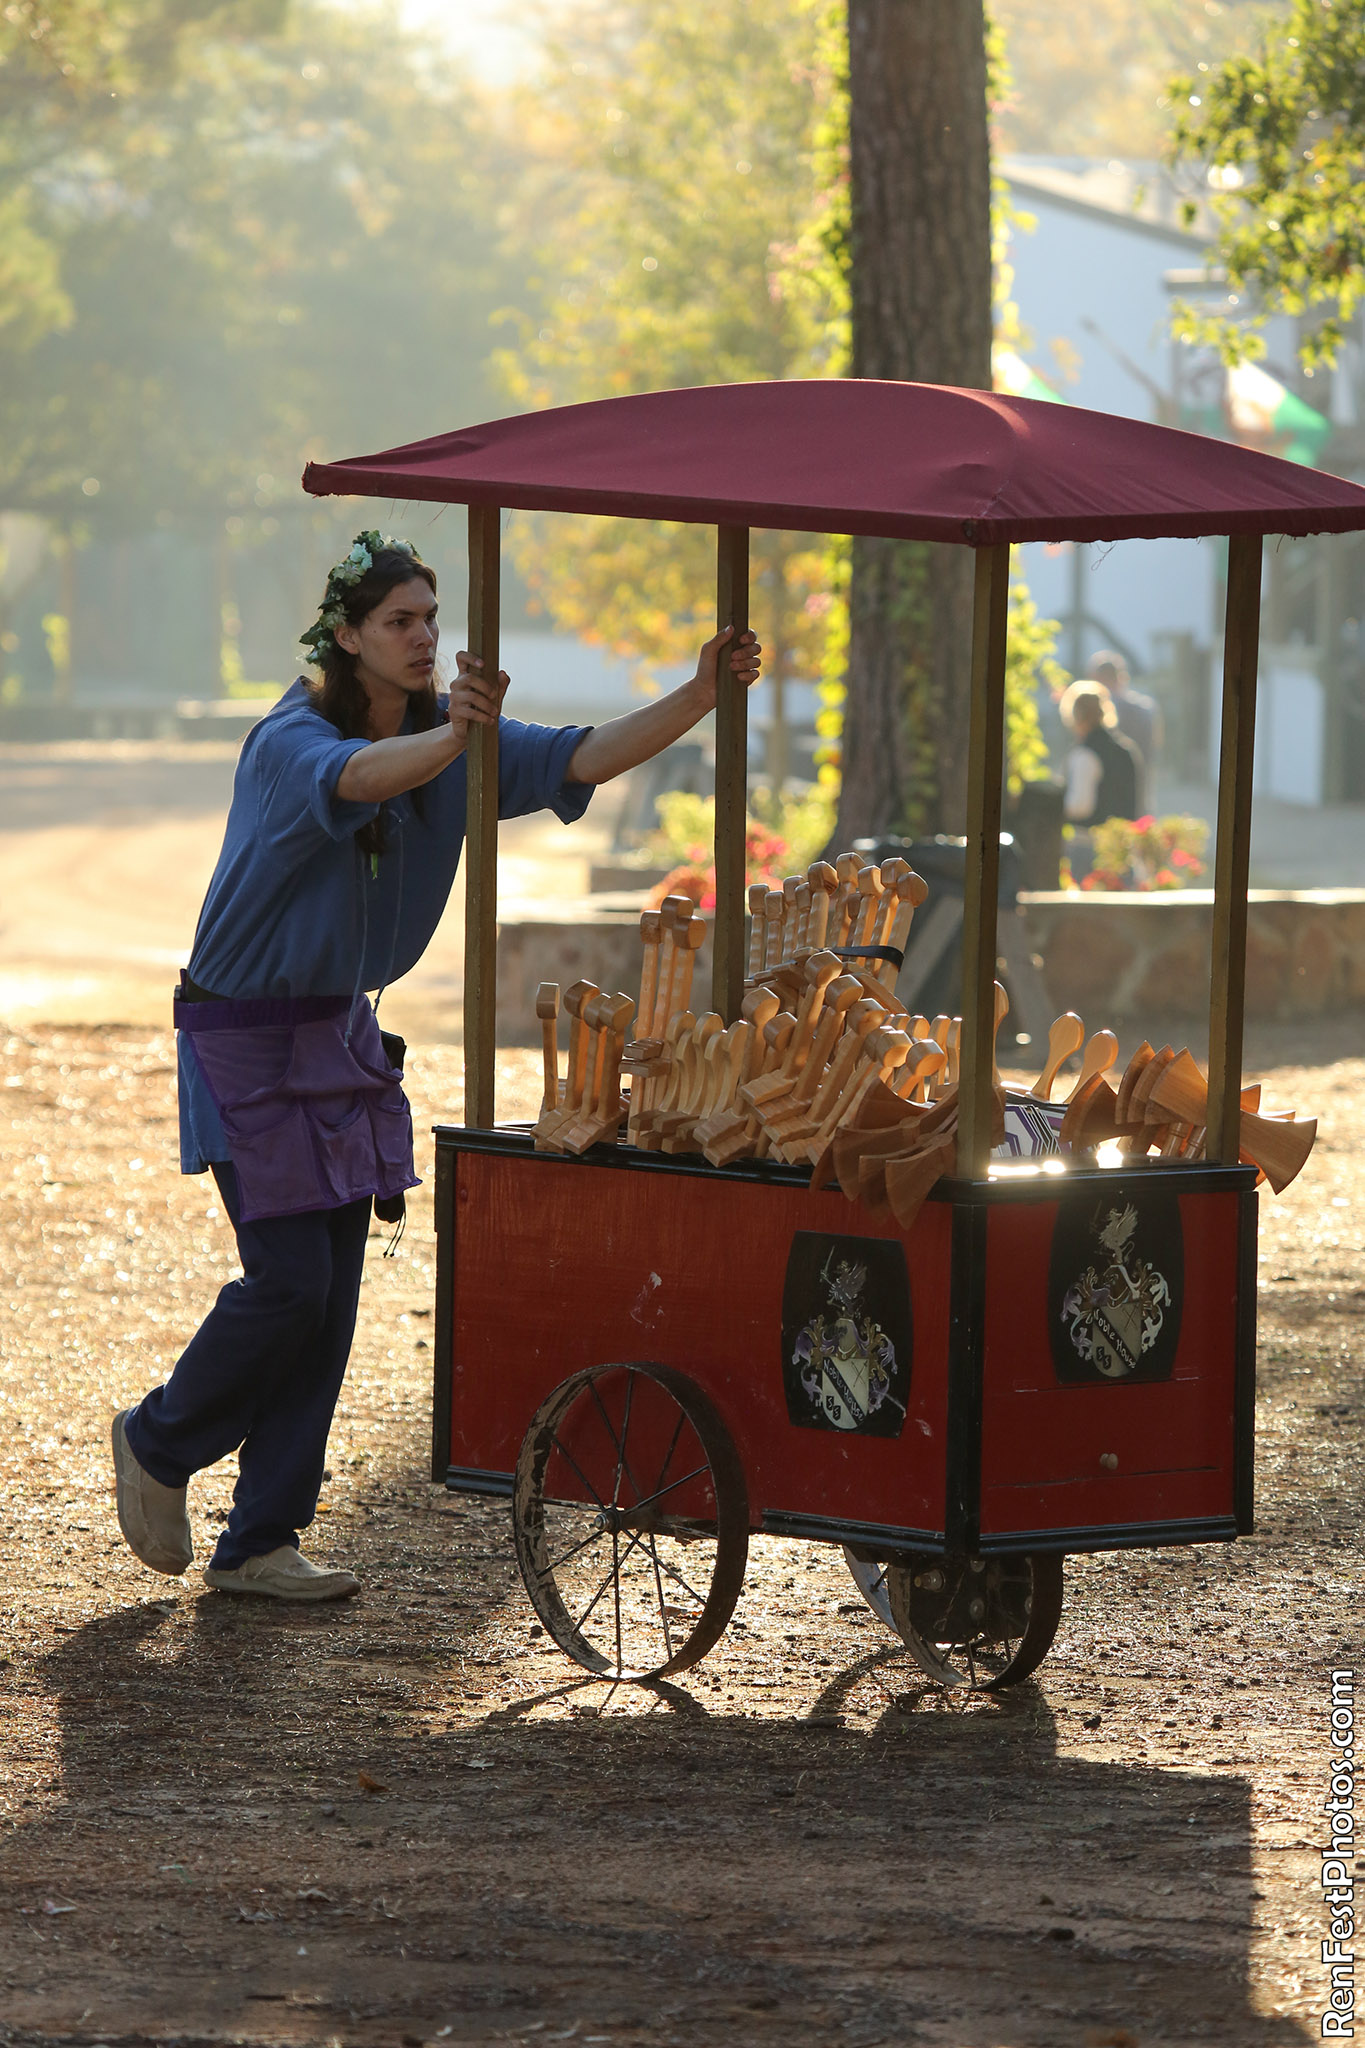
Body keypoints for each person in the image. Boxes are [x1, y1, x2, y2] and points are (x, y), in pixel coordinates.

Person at [111, 529, 762, 1602]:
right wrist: (458, 737)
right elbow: (356, 777)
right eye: (399, 621)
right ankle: (158, 1439)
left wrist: (700, 694)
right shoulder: (291, 737)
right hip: (244, 1034)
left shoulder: (448, 739)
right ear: (347, 636)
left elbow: (582, 755)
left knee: (331, 1300)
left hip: (339, 1031)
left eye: (430, 618)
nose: (422, 638)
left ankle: (259, 1538)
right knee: (291, 1281)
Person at [1060, 679, 1144, 835]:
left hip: (1089, 841)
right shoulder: (1126, 749)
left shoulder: (1085, 754)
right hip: (1122, 840)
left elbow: (1079, 806)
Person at [1088, 648, 1162, 806]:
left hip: (1108, 794)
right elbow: (1155, 745)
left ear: (1098, 678)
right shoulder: (1146, 709)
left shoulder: (1100, 710)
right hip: (1140, 787)